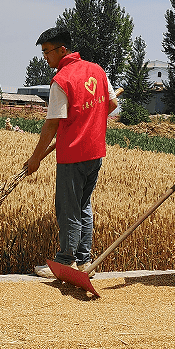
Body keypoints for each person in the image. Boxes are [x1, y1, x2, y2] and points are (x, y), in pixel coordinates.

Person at [24, 27, 117, 278]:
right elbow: (112, 103)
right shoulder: (97, 70)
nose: (44, 57)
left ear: (62, 49)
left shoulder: (61, 80)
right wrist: (90, 121)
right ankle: (84, 261)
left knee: (68, 208)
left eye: (47, 51)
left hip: (73, 153)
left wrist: (35, 158)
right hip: (95, 151)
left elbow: (52, 124)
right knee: (83, 205)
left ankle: (66, 260)